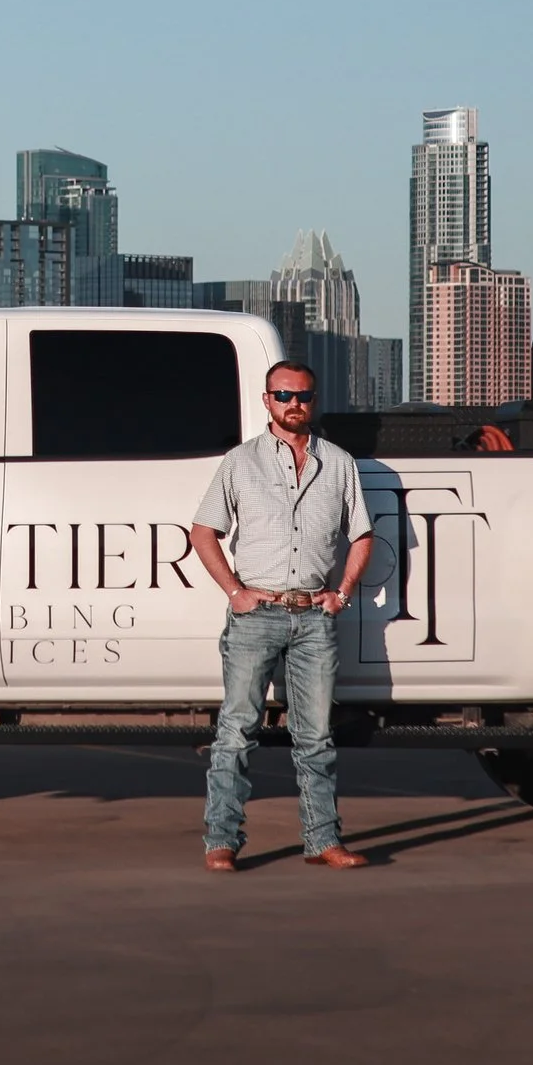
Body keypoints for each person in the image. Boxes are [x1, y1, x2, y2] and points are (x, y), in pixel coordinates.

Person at [188, 360, 377, 873]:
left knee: (316, 738)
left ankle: (323, 841)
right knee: (236, 732)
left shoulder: (337, 463)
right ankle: (221, 841)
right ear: (267, 400)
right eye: (284, 395)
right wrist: (235, 591)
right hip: (257, 614)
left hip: (314, 617)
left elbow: (361, 535)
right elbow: (202, 531)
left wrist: (341, 593)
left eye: (304, 396)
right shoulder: (239, 462)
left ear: (314, 401)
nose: (295, 404)